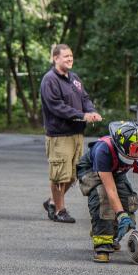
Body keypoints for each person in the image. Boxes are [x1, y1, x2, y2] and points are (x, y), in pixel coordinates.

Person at [76, 121, 138, 262]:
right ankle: (102, 245)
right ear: (122, 146)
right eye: (135, 149)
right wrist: (120, 215)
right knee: (102, 199)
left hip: (116, 172)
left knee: (128, 205)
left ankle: (110, 235)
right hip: (91, 169)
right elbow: (110, 190)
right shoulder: (103, 150)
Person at [40, 43, 102, 223]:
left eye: (71, 56)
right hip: (59, 136)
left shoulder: (74, 78)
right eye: (66, 56)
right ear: (55, 58)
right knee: (59, 175)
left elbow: (85, 99)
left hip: (76, 134)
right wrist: (82, 115)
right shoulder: (49, 80)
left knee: (73, 175)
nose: (69, 59)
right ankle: (60, 210)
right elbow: (57, 107)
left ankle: (52, 201)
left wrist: (91, 111)